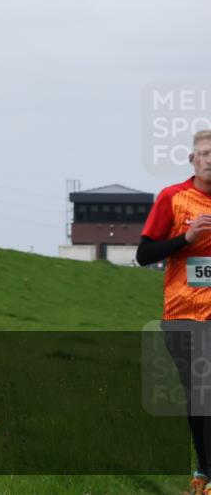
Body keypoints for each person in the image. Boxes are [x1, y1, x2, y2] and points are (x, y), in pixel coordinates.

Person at [137, 129, 211, 495]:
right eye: (204, 153)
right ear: (192, 160)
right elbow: (143, 255)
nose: (210, 160)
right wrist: (186, 238)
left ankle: (206, 475)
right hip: (184, 315)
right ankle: (204, 473)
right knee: (200, 397)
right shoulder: (172, 198)